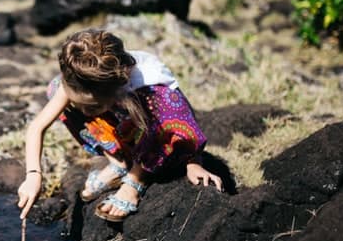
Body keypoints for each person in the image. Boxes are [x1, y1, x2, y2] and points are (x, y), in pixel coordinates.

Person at [17, 28, 222, 222]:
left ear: (115, 92)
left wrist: (193, 161)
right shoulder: (82, 77)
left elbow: (180, 128)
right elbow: (37, 127)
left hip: (154, 132)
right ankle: (118, 161)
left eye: (91, 107)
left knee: (166, 123)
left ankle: (136, 178)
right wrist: (33, 175)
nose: (85, 113)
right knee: (55, 90)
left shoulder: (154, 91)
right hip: (124, 122)